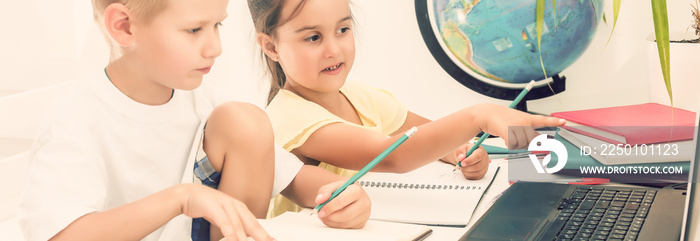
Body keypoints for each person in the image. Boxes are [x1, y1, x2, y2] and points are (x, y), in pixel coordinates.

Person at [18, 0, 370, 241]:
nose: (215, 47)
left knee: (245, 120)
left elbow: (294, 177)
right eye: (193, 30)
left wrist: (343, 196)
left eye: (217, 24)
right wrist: (180, 199)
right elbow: (63, 234)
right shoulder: (78, 117)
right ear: (124, 27)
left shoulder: (205, 102)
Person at [249, 0, 566, 215]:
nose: (333, 49)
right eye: (313, 37)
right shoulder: (286, 117)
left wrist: (463, 151)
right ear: (271, 46)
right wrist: (479, 116)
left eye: (343, 30)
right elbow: (394, 154)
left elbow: (422, 135)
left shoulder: (358, 95)